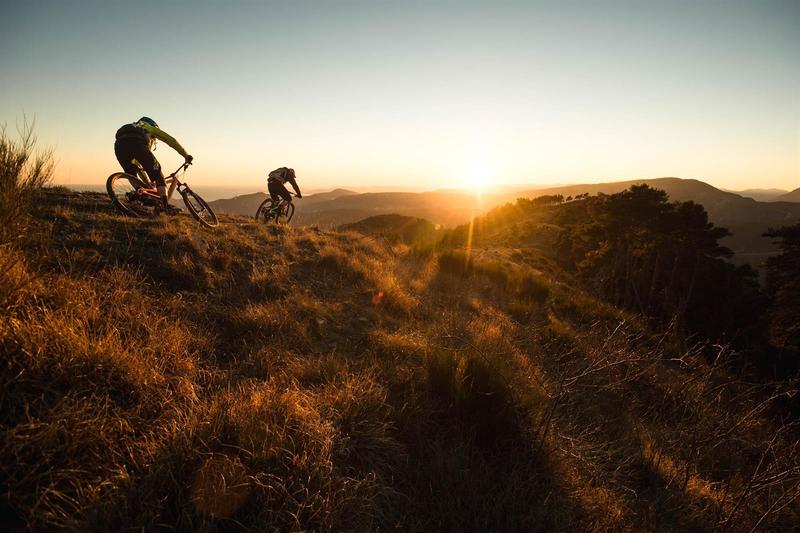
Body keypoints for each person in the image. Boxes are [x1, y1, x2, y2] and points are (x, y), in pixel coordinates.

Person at [114, 117, 193, 212]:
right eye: (153, 139)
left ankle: (140, 193)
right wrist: (185, 155)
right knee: (158, 174)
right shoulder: (149, 127)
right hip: (138, 144)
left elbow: (138, 167)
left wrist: (146, 184)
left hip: (119, 146)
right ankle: (165, 207)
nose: (153, 140)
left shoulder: (132, 127)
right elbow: (170, 140)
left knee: (131, 173)